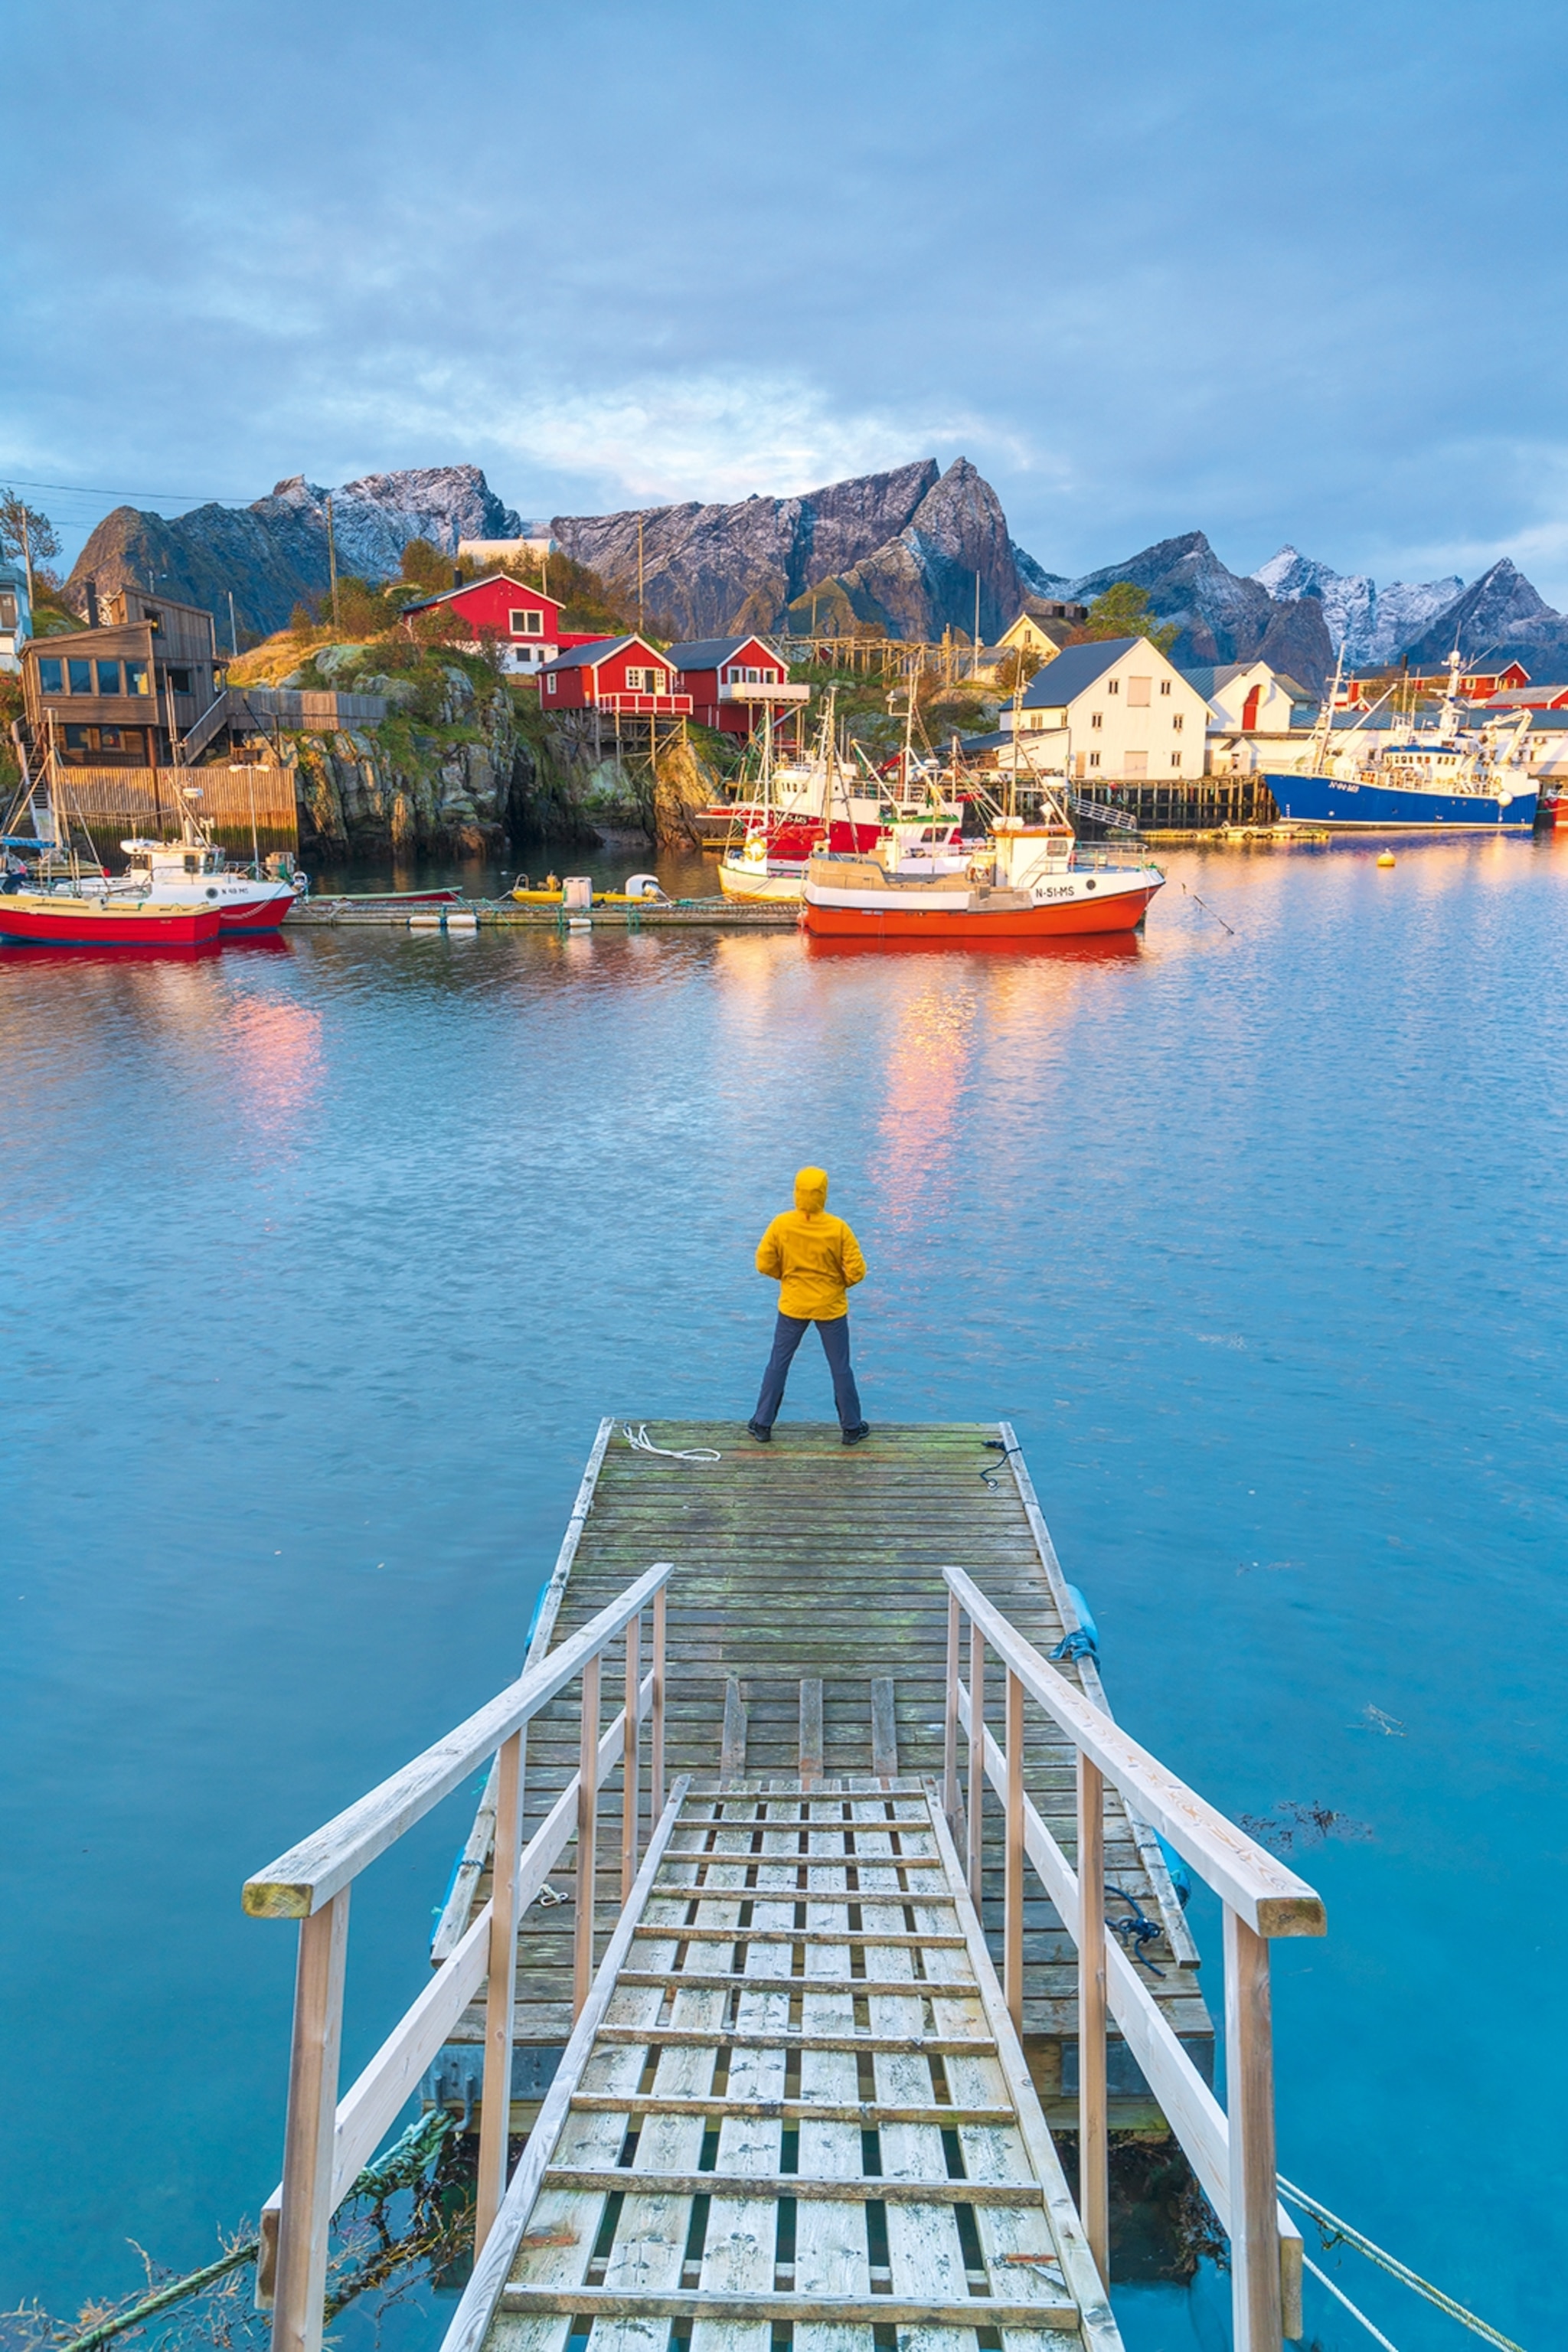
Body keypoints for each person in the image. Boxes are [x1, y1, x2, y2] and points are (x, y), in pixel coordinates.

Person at [749, 1165, 869, 1445]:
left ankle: (762, 1424)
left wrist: (787, 1277)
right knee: (840, 1367)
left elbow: (763, 1263)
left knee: (778, 1364)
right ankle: (851, 1428)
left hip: (793, 1305)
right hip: (830, 1307)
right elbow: (857, 1271)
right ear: (824, 1193)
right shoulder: (838, 1228)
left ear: (797, 1193)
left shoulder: (781, 1224)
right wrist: (837, 1284)